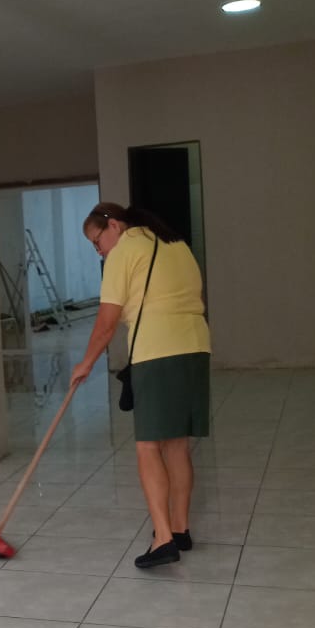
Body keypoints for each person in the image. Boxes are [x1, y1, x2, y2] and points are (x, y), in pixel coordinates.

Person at [70, 202, 210, 568]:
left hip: (157, 352)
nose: (98, 251)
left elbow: (106, 322)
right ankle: (179, 528)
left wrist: (86, 363)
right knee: (177, 443)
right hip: (195, 347)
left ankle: (163, 539)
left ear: (114, 226)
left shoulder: (125, 252)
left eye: (97, 241)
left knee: (148, 447)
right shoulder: (176, 244)